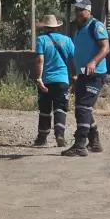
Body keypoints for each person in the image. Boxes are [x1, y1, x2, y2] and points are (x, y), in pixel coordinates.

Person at [62, 0, 110, 158]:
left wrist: (93, 62)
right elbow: (78, 54)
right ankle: (94, 143)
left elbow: (105, 48)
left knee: (83, 108)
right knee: (83, 109)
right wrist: (75, 74)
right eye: (76, 10)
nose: (78, 12)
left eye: (81, 10)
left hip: (95, 74)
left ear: (88, 10)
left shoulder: (96, 26)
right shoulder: (80, 29)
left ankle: (80, 144)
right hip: (83, 74)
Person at [33, 14, 75, 147]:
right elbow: (74, 59)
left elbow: (40, 59)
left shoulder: (41, 40)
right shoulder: (67, 40)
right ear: (56, 26)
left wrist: (39, 78)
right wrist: (75, 76)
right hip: (63, 80)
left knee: (45, 110)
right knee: (60, 108)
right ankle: (60, 135)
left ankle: (42, 138)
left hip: (46, 81)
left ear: (44, 27)